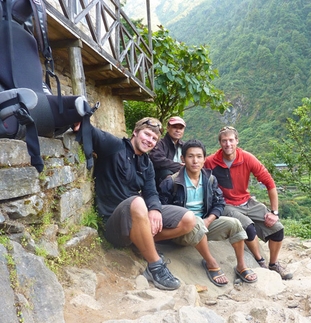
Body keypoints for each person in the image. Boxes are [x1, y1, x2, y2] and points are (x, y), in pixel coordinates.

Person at [85, 117, 196, 290]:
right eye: (146, 134)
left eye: (154, 139)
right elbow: (89, 130)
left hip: (138, 215)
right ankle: (155, 267)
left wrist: (155, 210)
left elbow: (151, 192)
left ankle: (141, 242)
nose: (149, 140)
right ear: (135, 132)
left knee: (189, 219)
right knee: (137, 202)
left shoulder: (147, 164)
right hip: (113, 222)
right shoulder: (114, 146)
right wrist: (78, 117)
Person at [159, 139, 257, 286]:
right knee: (195, 222)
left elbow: (219, 202)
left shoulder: (210, 180)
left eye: (199, 156)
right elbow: (162, 210)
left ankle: (241, 265)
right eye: (190, 156)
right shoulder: (171, 182)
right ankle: (211, 262)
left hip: (204, 224)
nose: (195, 161)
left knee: (235, 223)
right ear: (183, 159)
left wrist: (209, 220)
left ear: (205, 159)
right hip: (182, 230)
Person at [204, 126, 293, 280]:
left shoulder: (247, 158)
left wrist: (274, 212)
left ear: (237, 141)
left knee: (278, 229)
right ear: (220, 143)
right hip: (226, 204)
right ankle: (260, 261)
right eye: (224, 141)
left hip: (247, 201)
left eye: (231, 140)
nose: (228, 144)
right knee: (248, 227)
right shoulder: (211, 162)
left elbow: (269, 182)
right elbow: (195, 172)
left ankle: (274, 263)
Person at [149, 116, 186, 187]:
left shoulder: (184, 146)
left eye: (180, 128)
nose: (178, 130)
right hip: (161, 180)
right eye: (175, 127)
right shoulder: (159, 143)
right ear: (168, 128)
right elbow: (157, 160)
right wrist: (179, 166)